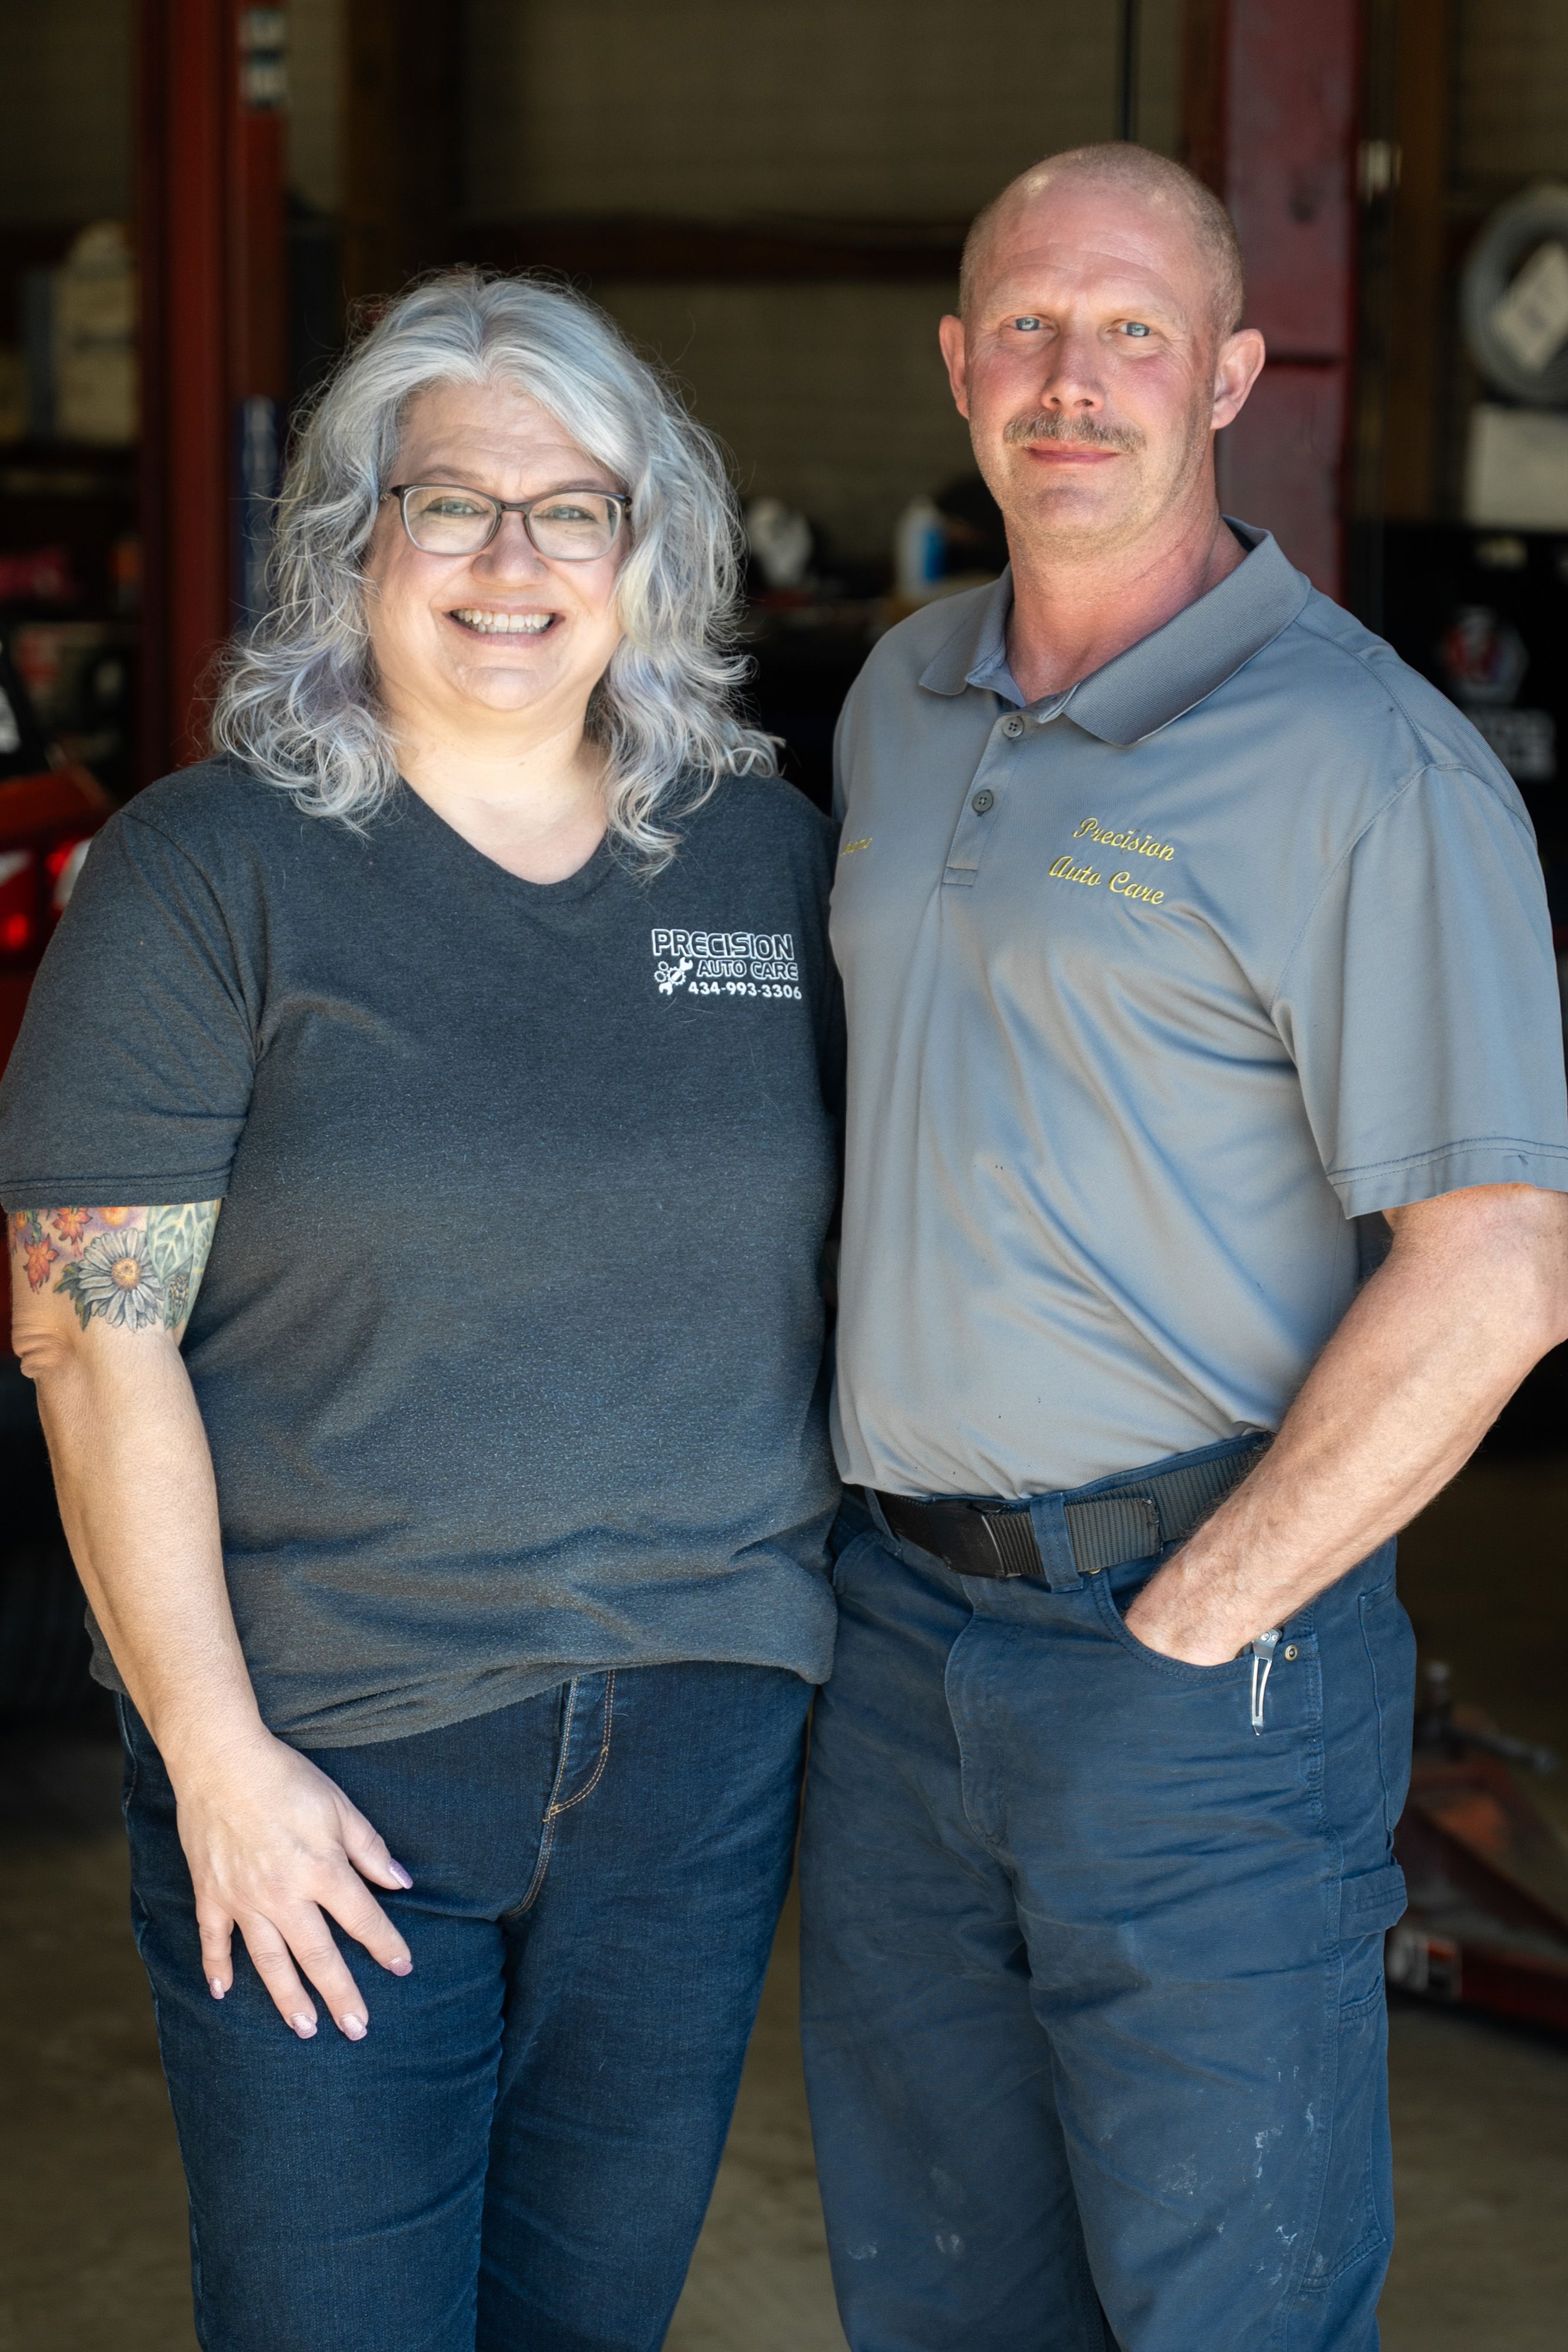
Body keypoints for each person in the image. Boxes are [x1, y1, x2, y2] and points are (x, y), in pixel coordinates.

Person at [0, 273, 844, 2352]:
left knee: (587, 2324)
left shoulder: (769, 866)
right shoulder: (204, 874)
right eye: (449, 502)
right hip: (328, 1758)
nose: (509, 562)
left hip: (698, 1743)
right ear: (351, 538)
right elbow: (88, 1339)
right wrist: (214, 1757)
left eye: (572, 511)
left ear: (645, 549)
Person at [801, 142, 1568, 2352]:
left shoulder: (1365, 761)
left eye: (1131, 331)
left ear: (1227, 376)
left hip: (1195, 1666)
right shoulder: (896, 696)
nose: (1072, 377)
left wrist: (1193, 1623)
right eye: (1027, 326)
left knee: (1226, 2314)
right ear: (958, 366)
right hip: (895, 1641)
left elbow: (1499, 1266)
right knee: (943, 2303)